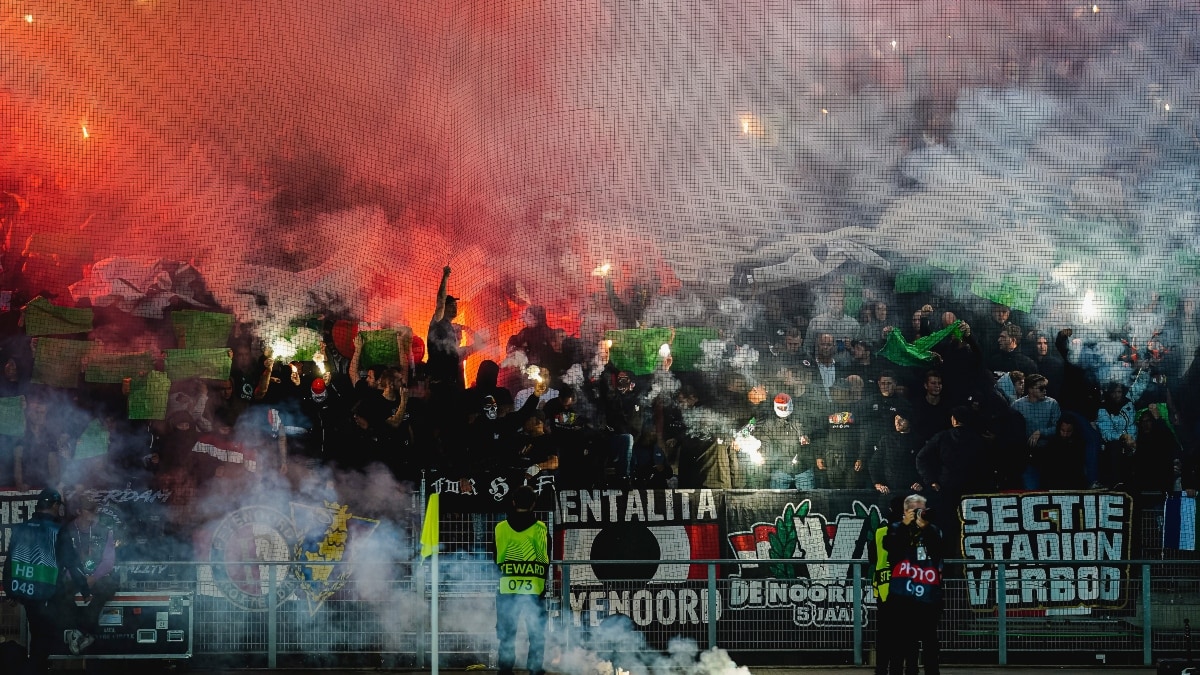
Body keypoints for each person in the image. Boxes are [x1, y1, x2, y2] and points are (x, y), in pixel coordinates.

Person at [6, 489, 94, 673]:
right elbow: (72, 562)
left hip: (26, 594)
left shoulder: (20, 528)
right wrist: (84, 589)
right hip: (47, 594)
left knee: (38, 638)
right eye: (59, 506)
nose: (59, 510)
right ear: (54, 505)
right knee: (43, 643)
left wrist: (10, 591)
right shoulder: (57, 530)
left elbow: (9, 562)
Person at [883, 493, 945, 675]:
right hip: (903, 597)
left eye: (922, 509)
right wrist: (905, 525)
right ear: (906, 511)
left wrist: (925, 528)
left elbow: (939, 552)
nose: (920, 513)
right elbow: (892, 550)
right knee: (900, 645)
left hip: (928, 597)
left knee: (930, 644)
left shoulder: (933, 530)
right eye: (915, 509)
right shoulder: (895, 528)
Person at [492, 486, 549, 675]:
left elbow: (496, 558)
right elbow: (544, 559)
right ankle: (534, 669)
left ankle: (505, 670)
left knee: (507, 634)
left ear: (514, 502)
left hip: (507, 589)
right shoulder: (540, 528)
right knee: (536, 633)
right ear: (534, 504)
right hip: (534, 589)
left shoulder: (500, 528)